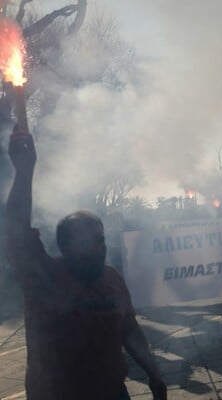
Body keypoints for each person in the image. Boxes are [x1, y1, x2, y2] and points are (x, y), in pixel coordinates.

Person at [4, 127, 167, 400]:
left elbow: (129, 329)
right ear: (65, 247)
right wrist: (24, 171)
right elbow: (17, 231)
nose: (98, 248)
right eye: (86, 242)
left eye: (100, 240)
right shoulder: (43, 278)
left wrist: (154, 372)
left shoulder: (112, 279)